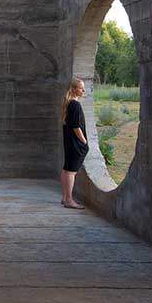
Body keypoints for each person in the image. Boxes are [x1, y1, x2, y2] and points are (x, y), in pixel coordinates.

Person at [60, 77, 89, 209]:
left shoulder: (69, 103)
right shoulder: (75, 105)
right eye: (81, 88)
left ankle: (65, 197)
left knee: (66, 170)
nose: (83, 90)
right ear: (73, 89)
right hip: (75, 143)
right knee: (71, 172)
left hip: (69, 142)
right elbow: (76, 126)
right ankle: (69, 200)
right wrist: (84, 141)